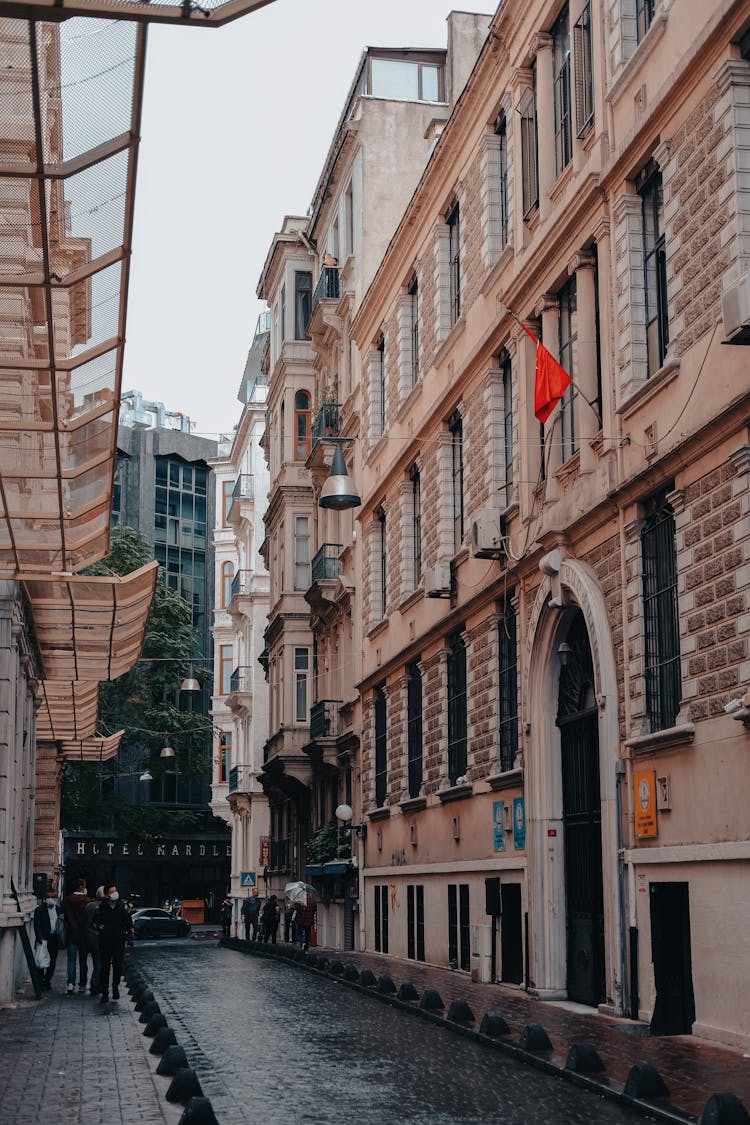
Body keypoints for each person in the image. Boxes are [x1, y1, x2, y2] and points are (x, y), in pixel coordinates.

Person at [95, 884, 133, 1004]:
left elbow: (128, 923)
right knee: (105, 968)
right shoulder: (102, 907)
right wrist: (99, 927)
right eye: (112, 892)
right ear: (107, 895)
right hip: (105, 941)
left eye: (115, 891)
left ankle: (115, 987)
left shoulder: (122, 906)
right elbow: (95, 922)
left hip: (119, 941)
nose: (115, 893)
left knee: (117, 966)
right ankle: (105, 993)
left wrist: (129, 938)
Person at [62, 878, 91, 994]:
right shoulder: (87, 900)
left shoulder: (67, 900)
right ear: (81, 887)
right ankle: (83, 983)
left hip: (71, 934)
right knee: (83, 960)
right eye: (84, 886)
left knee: (71, 960)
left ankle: (70, 984)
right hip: (84, 935)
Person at [33, 887, 60, 990]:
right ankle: (40, 981)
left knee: (52, 961)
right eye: (48, 897)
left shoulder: (58, 909)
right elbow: (37, 925)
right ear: (45, 898)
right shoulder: (39, 909)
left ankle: (47, 980)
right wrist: (39, 938)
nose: (50, 899)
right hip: (43, 939)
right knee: (40, 961)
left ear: (55, 897)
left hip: (54, 938)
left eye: (52, 897)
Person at [79, 887, 105, 996]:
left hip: (85, 938)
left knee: (83, 962)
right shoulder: (104, 907)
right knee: (98, 963)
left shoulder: (89, 905)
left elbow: (81, 921)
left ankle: (83, 983)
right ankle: (94, 985)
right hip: (97, 938)